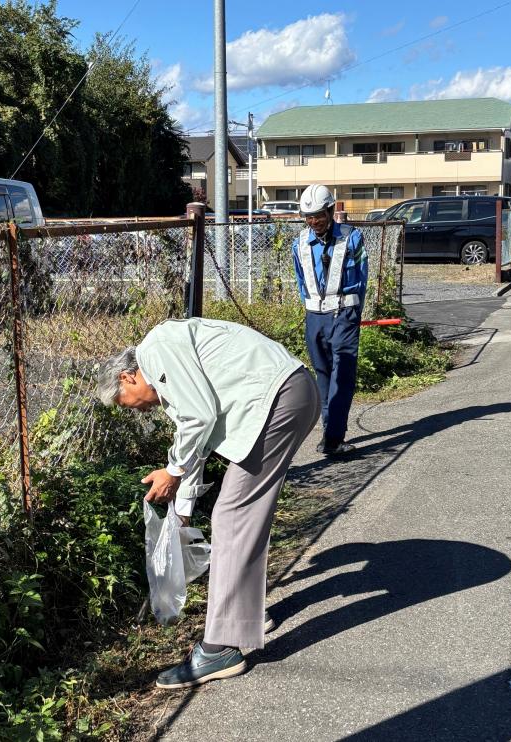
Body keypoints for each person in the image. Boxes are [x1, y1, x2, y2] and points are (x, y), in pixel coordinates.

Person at [96, 317, 320, 689]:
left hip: (278, 400)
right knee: (241, 517)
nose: (136, 411)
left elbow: (198, 418)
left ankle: (219, 648)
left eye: (127, 405)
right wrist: (182, 510)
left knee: (233, 517)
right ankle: (241, 619)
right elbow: (197, 436)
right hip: (288, 396)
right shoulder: (166, 363)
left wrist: (172, 470)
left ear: (127, 378)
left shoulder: (156, 349)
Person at [292, 184, 368, 457]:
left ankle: (334, 437)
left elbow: (362, 277)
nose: (314, 222)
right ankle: (329, 433)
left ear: (331, 211)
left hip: (344, 314)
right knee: (322, 376)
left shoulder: (352, 238)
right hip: (314, 317)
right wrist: (311, 309)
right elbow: (301, 281)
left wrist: (353, 313)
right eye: (308, 217)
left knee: (343, 375)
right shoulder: (299, 243)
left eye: (319, 216)